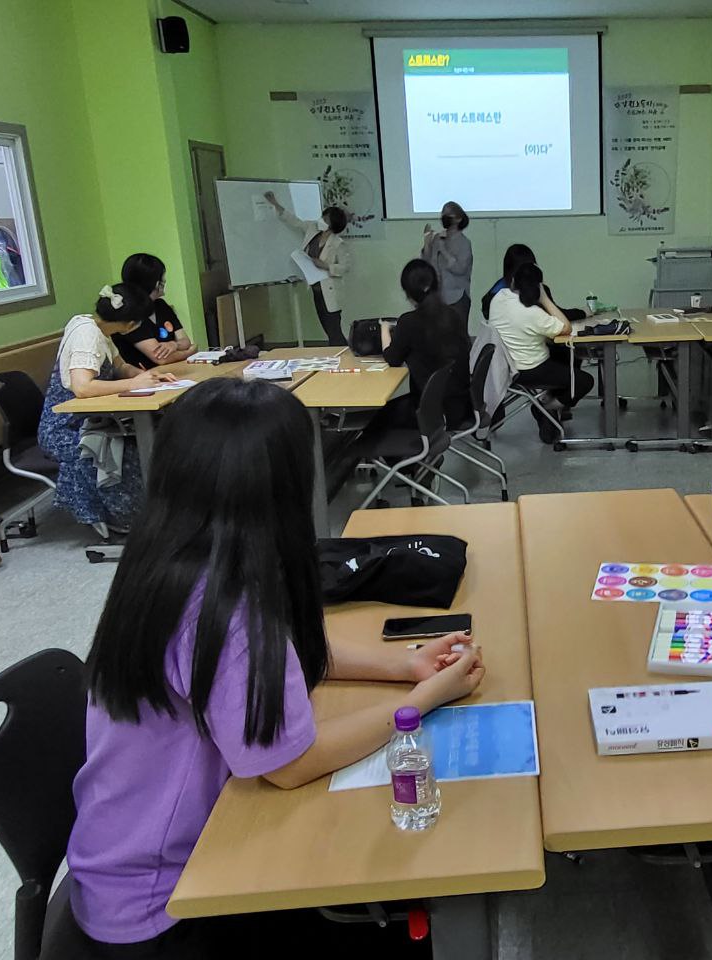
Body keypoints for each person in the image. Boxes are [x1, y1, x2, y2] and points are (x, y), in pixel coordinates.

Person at [46, 377, 485, 959]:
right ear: (280, 489)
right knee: (390, 887)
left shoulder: (175, 560)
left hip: (122, 869)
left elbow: (284, 651)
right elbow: (288, 765)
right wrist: (425, 698)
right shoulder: (222, 608)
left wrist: (405, 666)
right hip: (167, 907)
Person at [37, 284, 178, 536]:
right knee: (132, 451)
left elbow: (120, 366)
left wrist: (149, 376)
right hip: (65, 427)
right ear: (130, 323)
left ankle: (161, 513)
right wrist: (134, 384)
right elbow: (82, 387)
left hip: (91, 419)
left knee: (154, 438)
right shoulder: (86, 334)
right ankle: (130, 521)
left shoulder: (98, 328)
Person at [487, 262, 594, 443]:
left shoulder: (499, 298)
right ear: (538, 286)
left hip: (506, 365)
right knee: (584, 381)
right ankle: (546, 407)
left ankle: (548, 404)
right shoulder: (533, 313)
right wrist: (544, 298)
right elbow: (566, 327)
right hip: (530, 369)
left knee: (565, 355)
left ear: (512, 282)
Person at [380, 259, 471, 429]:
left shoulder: (408, 322)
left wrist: (385, 329)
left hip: (430, 411)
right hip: (461, 404)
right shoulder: (454, 315)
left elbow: (392, 359)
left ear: (408, 293)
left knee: (382, 414)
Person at [265, 191, 352, 346]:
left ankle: (342, 356)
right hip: (315, 288)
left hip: (330, 290)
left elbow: (345, 267)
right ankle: (339, 354)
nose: (322, 220)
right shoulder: (312, 229)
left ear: (333, 224)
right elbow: (294, 221)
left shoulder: (338, 243)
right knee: (327, 327)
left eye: (326, 219)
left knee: (333, 329)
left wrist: (326, 266)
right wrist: (276, 204)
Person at [112, 253, 195, 368]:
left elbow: (185, 340)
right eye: (162, 277)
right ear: (156, 283)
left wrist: (174, 345)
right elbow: (160, 359)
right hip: (143, 376)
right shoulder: (129, 314)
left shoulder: (161, 306)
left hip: (174, 370)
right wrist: (189, 353)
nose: (164, 280)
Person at [480, 243, 587, 324]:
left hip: (502, 350)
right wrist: (583, 312)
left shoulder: (496, 294)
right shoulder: (533, 290)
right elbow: (558, 317)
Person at [421, 201, 473, 330]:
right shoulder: (438, 238)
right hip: (438, 298)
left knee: (457, 337)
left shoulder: (464, 243)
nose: (444, 217)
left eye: (448, 214)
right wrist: (427, 244)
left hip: (457, 297)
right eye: (442, 214)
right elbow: (428, 264)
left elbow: (460, 269)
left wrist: (443, 250)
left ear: (458, 218)